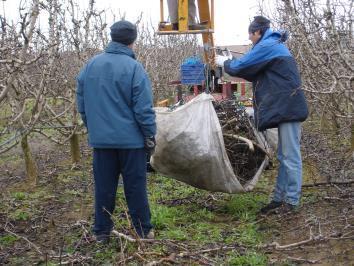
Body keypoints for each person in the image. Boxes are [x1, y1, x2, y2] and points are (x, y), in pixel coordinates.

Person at [216, 16, 309, 213]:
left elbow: (241, 66)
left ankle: (291, 202)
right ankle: (279, 198)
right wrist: (230, 64)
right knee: (285, 156)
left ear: (257, 32)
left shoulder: (267, 45)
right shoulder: (272, 43)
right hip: (286, 106)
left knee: (290, 156)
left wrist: (225, 62)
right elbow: (251, 71)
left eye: (250, 35)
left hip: (288, 107)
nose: (250, 39)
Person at [76, 20, 156, 242]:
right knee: (135, 187)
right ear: (133, 40)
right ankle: (143, 231)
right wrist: (150, 135)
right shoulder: (134, 68)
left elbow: (82, 104)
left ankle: (102, 232)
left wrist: (93, 127)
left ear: (111, 37)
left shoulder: (90, 66)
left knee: (103, 187)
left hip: (101, 143)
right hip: (132, 143)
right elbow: (143, 109)